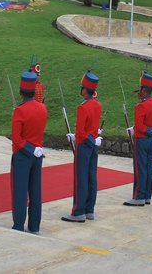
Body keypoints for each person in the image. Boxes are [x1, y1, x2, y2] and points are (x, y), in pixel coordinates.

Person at [62, 70, 102, 222]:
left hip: (84, 145)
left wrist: (76, 136)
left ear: (85, 90)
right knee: (92, 176)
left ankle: (78, 211)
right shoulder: (97, 105)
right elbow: (91, 129)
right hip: (93, 145)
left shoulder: (83, 107)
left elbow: (81, 132)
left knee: (81, 178)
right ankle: (89, 209)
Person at [11, 70, 48, 233]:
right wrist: (35, 150)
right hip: (38, 155)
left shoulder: (20, 111)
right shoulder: (43, 108)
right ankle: (34, 226)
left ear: (21, 92)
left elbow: (17, 140)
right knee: (35, 191)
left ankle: (19, 225)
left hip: (23, 155)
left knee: (20, 192)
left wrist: (30, 149)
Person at [124, 73, 152, 206]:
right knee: (149, 167)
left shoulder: (140, 106)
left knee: (140, 168)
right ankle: (147, 195)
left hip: (142, 139)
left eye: (140, 89)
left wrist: (136, 129)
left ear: (144, 90)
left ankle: (139, 196)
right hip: (151, 141)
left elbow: (140, 126)